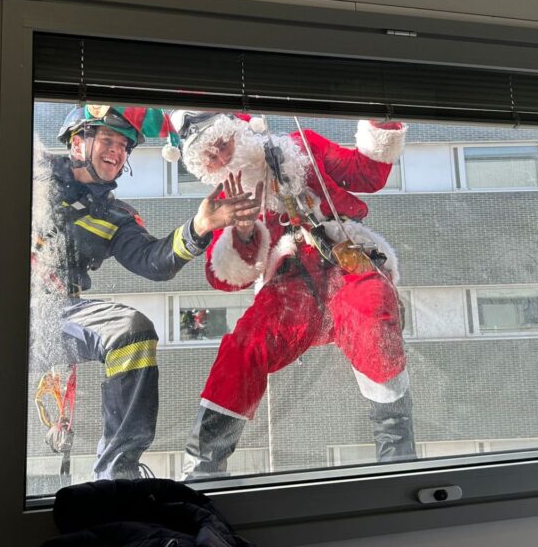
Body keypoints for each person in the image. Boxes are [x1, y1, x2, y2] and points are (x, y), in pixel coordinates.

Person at [169, 110, 416, 479]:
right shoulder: (226, 200)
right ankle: (203, 467)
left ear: (237, 130)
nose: (222, 156)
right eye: (211, 157)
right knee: (242, 348)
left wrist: (380, 123)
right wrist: (243, 232)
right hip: (289, 289)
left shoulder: (301, 147)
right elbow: (224, 278)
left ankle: (399, 456)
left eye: (222, 143)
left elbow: (366, 173)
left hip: (345, 261)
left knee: (371, 316)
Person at [30, 104, 261, 480]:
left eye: (124, 146)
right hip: (0, 306)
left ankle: (118, 476)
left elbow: (154, 261)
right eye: (108, 140)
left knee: (132, 330)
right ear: (77, 142)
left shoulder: (114, 216)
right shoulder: (34, 174)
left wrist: (200, 226)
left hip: (55, 315)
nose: (117, 151)